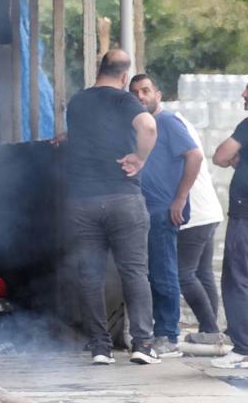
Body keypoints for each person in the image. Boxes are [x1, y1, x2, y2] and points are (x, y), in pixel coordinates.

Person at [64, 50, 159, 365]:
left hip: (82, 201)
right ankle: (143, 345)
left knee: (90, 275)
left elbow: (84, 136)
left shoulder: (77, 102)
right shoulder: (124, 100)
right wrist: (139, 157)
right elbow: (148, 128)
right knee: (134, 273)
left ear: (98, 69)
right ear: (123, 76)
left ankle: (100, 348)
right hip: (123, 199)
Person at [129, 74, 203, 358]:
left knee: (163, 272)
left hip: (163, 208)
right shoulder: (139, 125)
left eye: (146, 91)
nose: (140, 97)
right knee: (149, 273)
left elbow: (195, 156)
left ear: (158, 94)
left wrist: (180, 198)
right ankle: (156, 332)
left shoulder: (168, 122)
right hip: (144, 208)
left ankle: (169, 336)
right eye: (135, 92)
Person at [210, 72, 248, 369]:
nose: (244, 94)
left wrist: (236, 158)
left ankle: (245, 349)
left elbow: (220, 156)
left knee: (236, 280)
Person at [172, 111, 225, 344]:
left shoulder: (168, 124)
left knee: (184, 274)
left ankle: (211, 329)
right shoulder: (180, 120)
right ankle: (210, 331)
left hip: (194, 213)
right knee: (202, 273)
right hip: (209, 210)